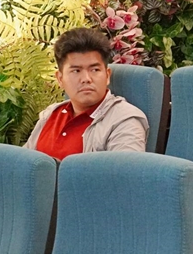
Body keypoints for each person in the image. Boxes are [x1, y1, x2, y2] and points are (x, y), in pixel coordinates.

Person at [24, 27, 148, 158]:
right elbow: (24, 164)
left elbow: (124, 170)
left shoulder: (124, 120)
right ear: (60, 79)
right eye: (76, 71)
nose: (86, 79)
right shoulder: (50, 114)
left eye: (94, 70)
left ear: (107, 76)